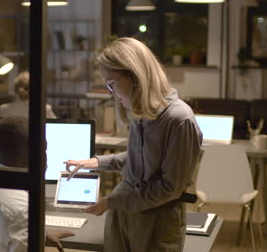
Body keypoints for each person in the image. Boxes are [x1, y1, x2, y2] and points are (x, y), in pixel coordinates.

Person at [64, 37, 202, 252]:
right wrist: (94, 162)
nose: (112, 93)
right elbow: (139, 159)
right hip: (124, 210)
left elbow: (169, 188)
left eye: (112, 84)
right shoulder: (140, 111)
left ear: (134, 75)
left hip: (156, 220)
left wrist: (112, 202)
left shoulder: (179, 119)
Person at [0, 116, 73, 252]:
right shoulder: (24, 209)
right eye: (45, 149)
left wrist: (39, 233)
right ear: (33, 155)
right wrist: (31, 228)